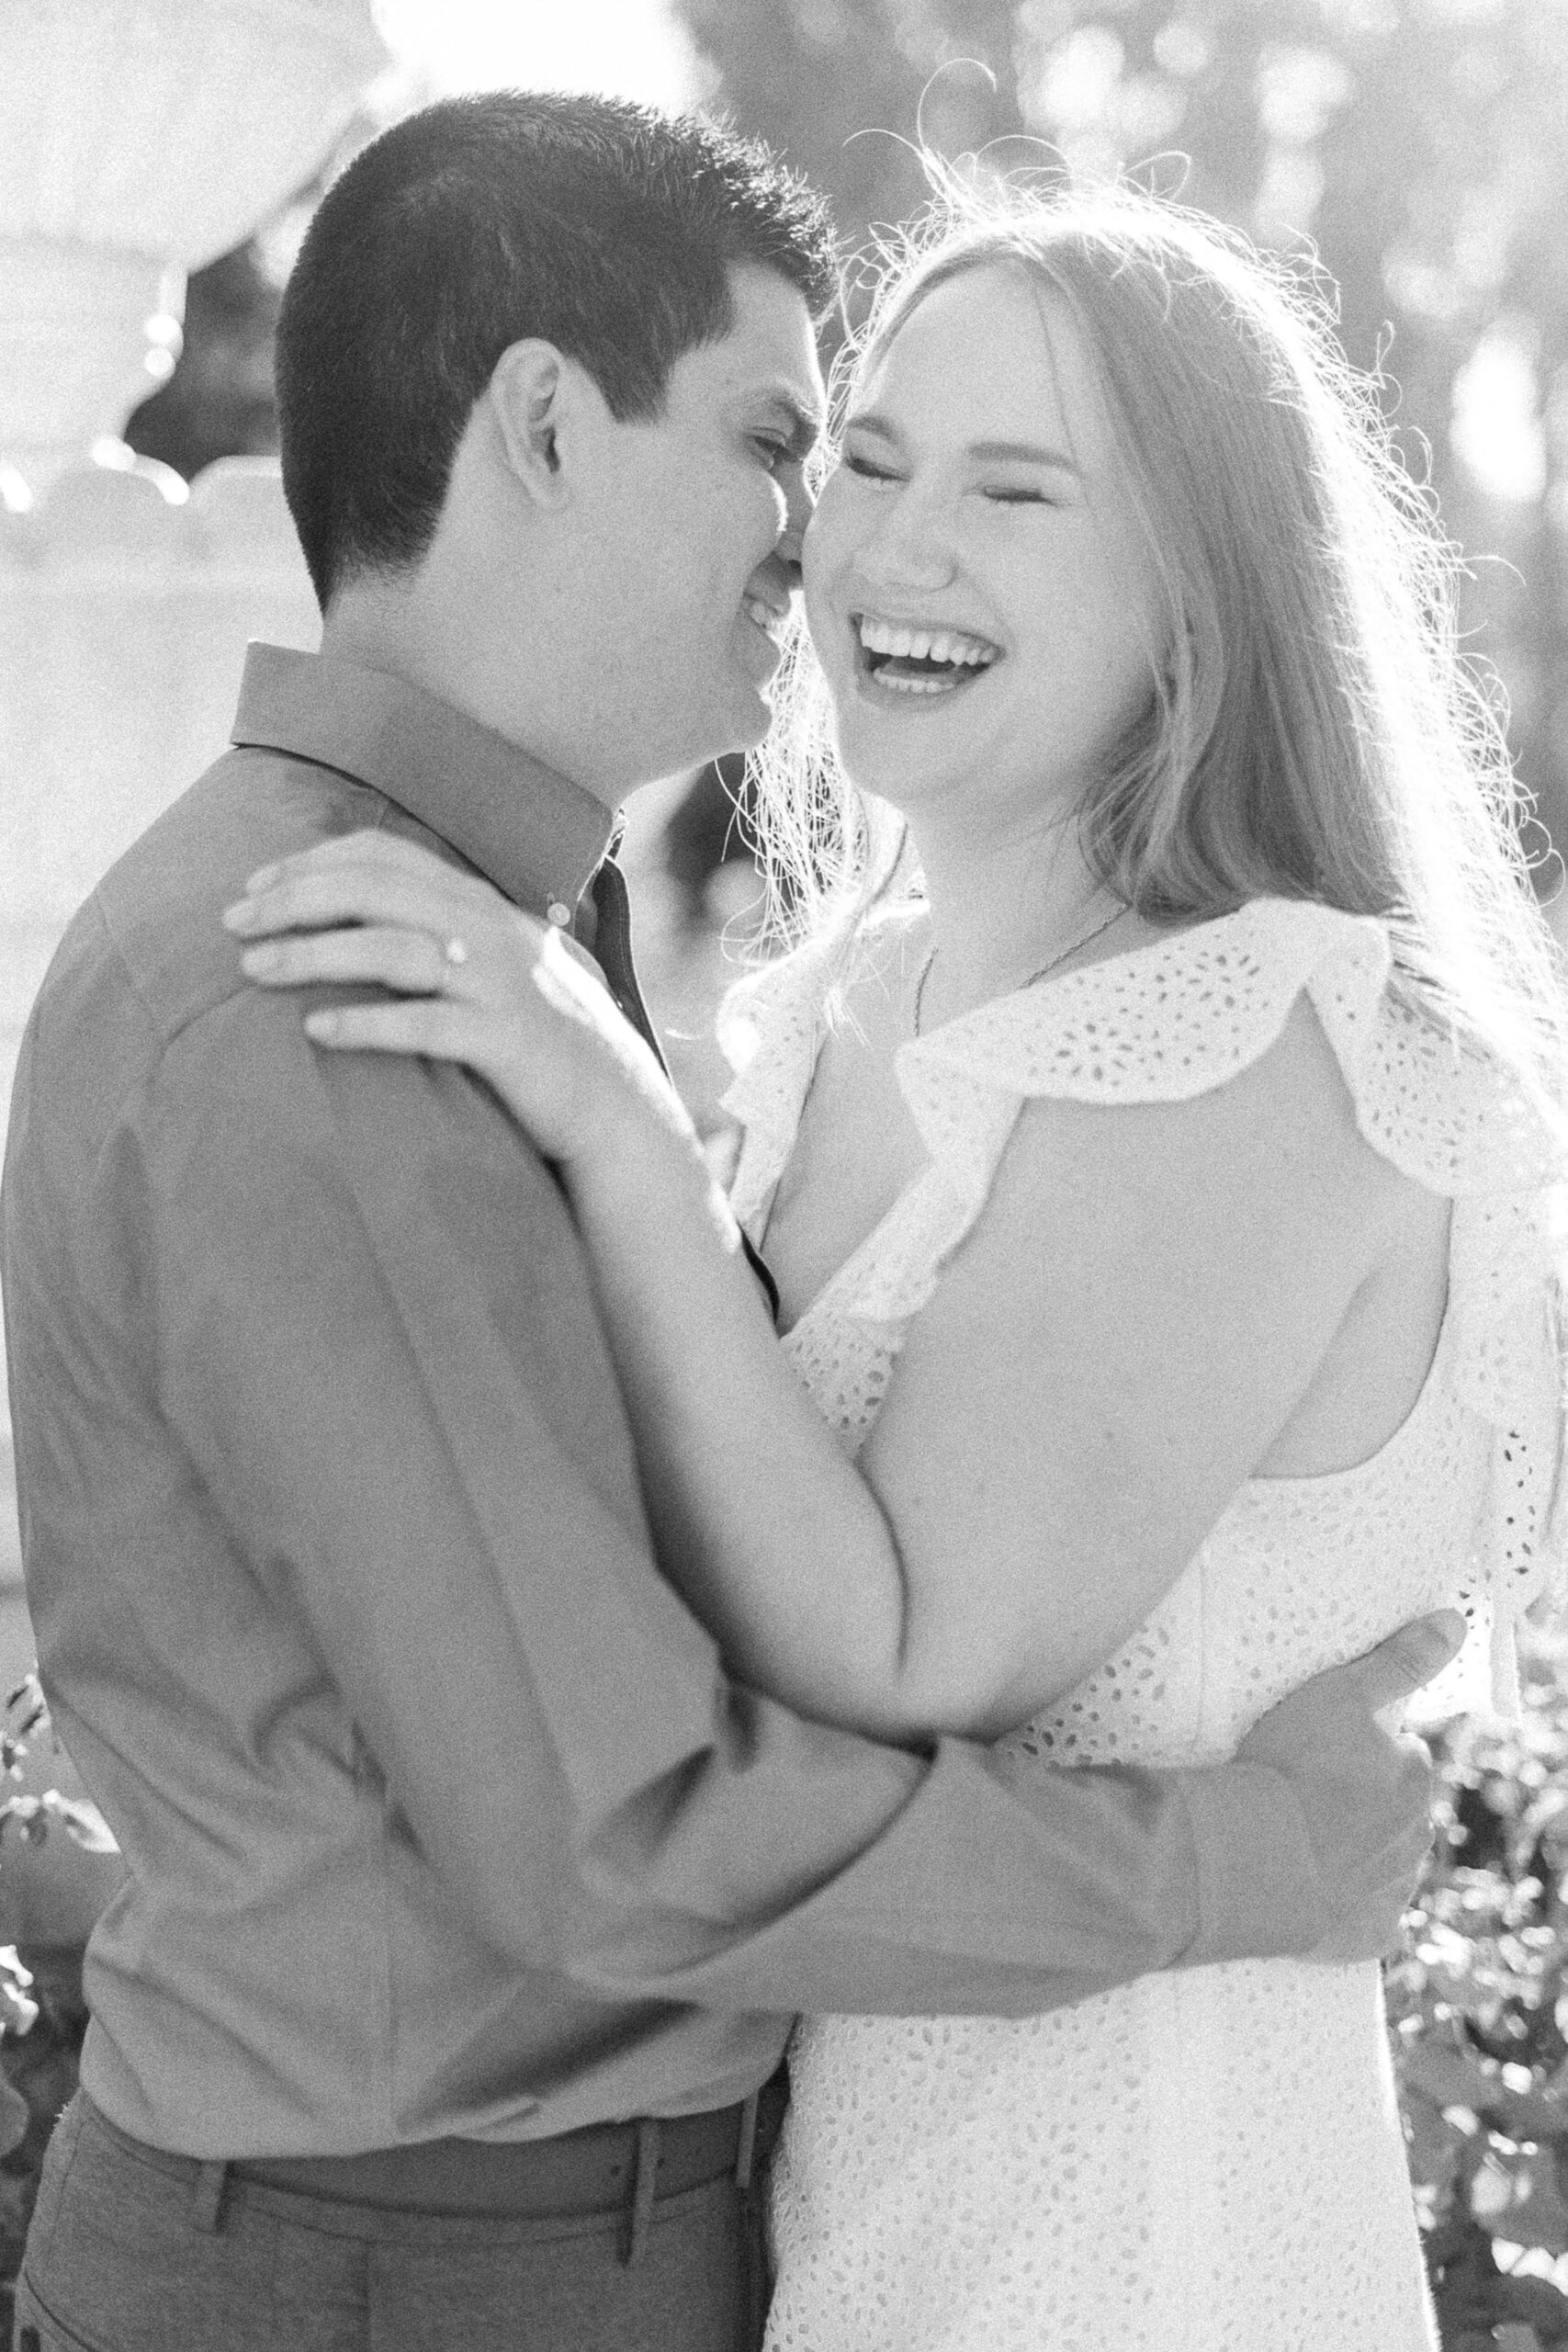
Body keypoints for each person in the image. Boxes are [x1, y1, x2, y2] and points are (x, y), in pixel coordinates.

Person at [2, 98, 1452, 2352]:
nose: (820, 539)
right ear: (549, 429)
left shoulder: (498, 957)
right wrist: (1248, 1861)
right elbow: (620, 1828)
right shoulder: (339, 989)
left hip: (821, 2231)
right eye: (811, 444)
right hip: (408, 2270)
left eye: (993, 479)